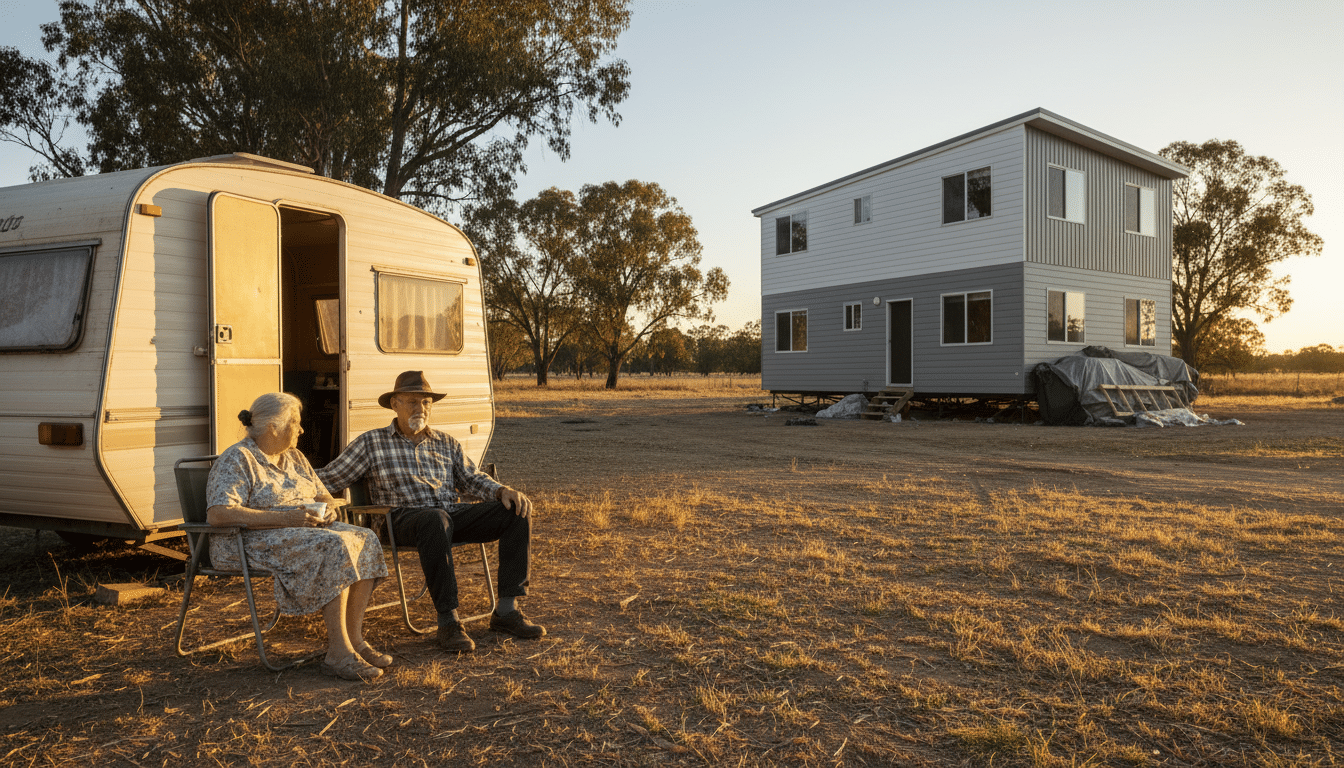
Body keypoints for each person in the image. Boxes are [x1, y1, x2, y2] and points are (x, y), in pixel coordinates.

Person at [318, 371, 543, 654]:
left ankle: (507, 611)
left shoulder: (445, 442)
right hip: (398, 519)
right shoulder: (372, 443)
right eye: (412, 402)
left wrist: (502, 491)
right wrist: (286, 473)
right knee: (434, 520)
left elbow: (471, 478)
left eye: (426, 402)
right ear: (394, 404)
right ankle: (448, 621)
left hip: (448, 513)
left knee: (515, 511)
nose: (420, 409)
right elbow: (329, 477)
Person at [206, 392, 390, 682]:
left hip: (301, 531)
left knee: (365, 538)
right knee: (333, 545)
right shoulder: (239, 459)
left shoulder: (294, 457)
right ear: (272, 427)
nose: (302, 430)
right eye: (295, 422)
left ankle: (354, 640)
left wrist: (328, 510)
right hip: (247, 541)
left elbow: (324, 495)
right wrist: (284, 518)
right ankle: (338, 654)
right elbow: (218, 514)